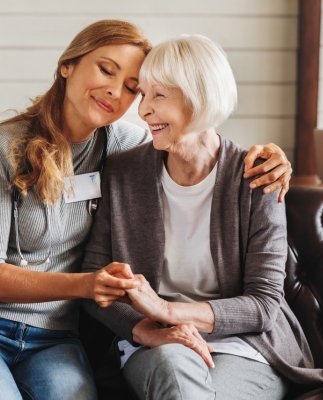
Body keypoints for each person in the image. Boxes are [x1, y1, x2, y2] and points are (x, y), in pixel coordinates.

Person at [0, 20, 291, 400]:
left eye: (134, 88)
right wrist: (91, 287)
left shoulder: (123, 148)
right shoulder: (4, 147)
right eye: (105, 69)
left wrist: (275, 159)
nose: (119, 94)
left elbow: (194, 140)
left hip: (54, 338)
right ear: (68, 65)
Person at [82, 34, 322, 400]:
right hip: (158, 343)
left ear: (201, 96)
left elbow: (263, 305)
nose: (143, 110)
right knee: (174, 372)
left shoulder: (259, 178)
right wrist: (150, 326)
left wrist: (166, 308)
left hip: (247, 346)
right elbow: (96, 283)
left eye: (158, 95)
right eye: (143, 95)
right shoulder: (123, 172)